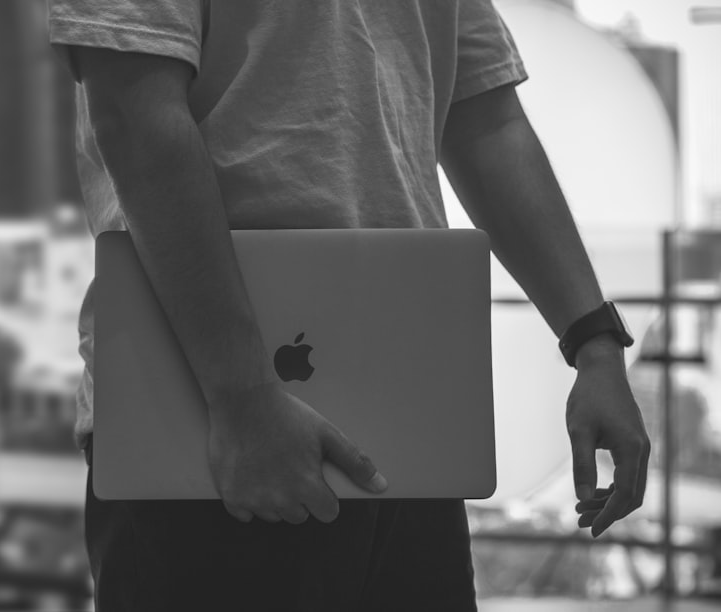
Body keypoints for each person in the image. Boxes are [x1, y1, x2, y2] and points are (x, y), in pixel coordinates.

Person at [47, 1, 652, 610]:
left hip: (397, 410)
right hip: (212, 422)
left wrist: (594, 343)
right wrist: (243, 400)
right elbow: (134, 116)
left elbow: (484, 118)